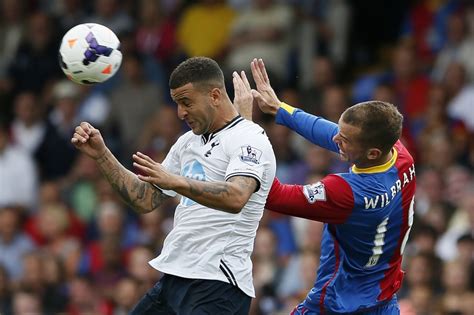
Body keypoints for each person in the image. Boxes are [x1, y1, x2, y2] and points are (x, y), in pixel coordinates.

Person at [71, 56, 276, 314]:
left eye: (186, 103)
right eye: (177, 104)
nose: (181, 113)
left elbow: (237, 197)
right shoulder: (186, 143)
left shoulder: (249, 138)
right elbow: (144, 199)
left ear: (214, 96)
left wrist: (177, 182)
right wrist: (102, 154)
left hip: (218, 284)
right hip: (175, 278)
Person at [243, 58, 416, 314]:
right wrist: (281, 109)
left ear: (372, 153)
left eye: (344, 140)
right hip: (383, 301)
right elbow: (331, 132)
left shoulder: (347, 192)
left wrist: (244, 136)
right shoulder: (401, 157)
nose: (336, 139)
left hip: (336, 305)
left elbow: (274, 195)